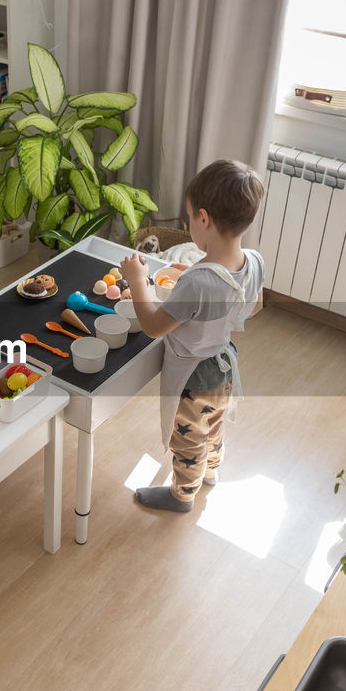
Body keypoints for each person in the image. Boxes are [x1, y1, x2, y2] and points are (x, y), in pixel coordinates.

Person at [120, 159, 266, 512]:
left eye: (188, 219)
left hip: (193, 376)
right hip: (224, 366)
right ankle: (210, 471)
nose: (189, 227)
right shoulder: (254, 261)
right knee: (212, 425)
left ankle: (181, 493)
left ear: (204, 219)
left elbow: (154, 326)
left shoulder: (199, 283)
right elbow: (254, 305)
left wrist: (139, 282)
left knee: (187, 437)